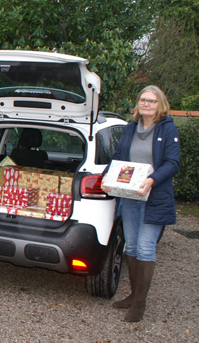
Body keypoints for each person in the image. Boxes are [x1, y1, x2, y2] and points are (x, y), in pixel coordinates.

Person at [102, 85, 180, 322]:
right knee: (132, 247)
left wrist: (151, 180)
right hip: (131, 195)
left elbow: (172, 163)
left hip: (154, 197)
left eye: (152, 101)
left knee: (146, 247)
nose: (147, 104)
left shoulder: (167, 129)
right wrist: (107, 176)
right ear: (138, 104)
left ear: (161, 105)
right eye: (143, 100)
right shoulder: (130, 128)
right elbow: (118, 158)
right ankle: (134, 295)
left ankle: (139, 304)